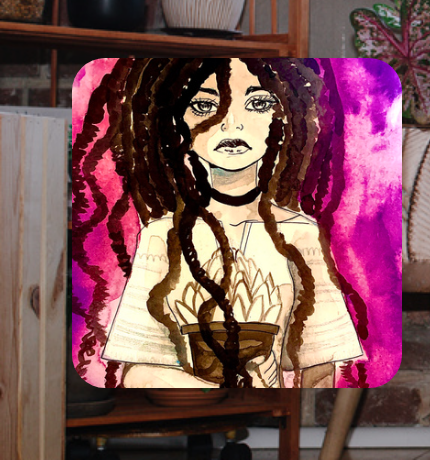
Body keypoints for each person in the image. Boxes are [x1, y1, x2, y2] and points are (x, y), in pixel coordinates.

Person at [71, 58, 366, 388]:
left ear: (284, 117)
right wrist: (224, 393)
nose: (231, 123)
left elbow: (320, 365)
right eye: (203, 105)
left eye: (258, 103)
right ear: (175, 122)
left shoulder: (300, 234)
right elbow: (139, 373)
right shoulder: (162, 235)